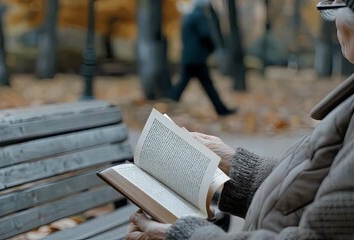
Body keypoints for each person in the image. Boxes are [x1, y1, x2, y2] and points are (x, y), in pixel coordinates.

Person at [126, 0, 354, 239]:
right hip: (196, 58)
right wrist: (235, 166)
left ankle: (211, 105)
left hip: (192, 58)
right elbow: (318, 192)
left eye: (334, 6)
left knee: (199, 85)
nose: (333, 19)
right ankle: (212, 106)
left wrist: (181, 235)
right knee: (200, 85)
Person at [171, 0, 236, 116]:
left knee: (185, 83)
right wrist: (211, 48)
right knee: (207, 85)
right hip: (197, 58)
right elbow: (205, 34)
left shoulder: (188, 16)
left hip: (189, 57)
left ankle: (169, 102)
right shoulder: (200, 16)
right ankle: (221, 110)